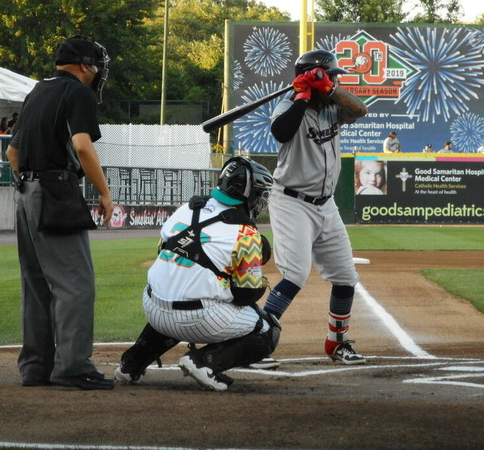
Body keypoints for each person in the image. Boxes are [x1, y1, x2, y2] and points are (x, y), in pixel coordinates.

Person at [114, 157, 280, 391]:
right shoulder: (247, 233)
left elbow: (164, 252)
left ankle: (131, 364)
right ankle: (204, 362)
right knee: (267, 329)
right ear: (248, 193)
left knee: (175, 295)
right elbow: (247, 293)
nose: (262, 201)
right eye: (260, 194)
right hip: (197, 319)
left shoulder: (187, 207)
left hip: (152, 308)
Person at [6, 35, 114, 390]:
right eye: (96, 65)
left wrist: (30, 186)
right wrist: (104, 192)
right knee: (76, 285)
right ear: (84, 65)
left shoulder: (38, 91)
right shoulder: (77, 92)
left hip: (26, 193)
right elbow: (82, 146)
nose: (97, 72)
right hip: (54, 191)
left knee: (36, 286)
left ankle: (35, 369)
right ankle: (73, 367)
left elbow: (12, 153)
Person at [267, 49, 368, 365]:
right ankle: (255, 339)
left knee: (345, 277)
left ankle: (337, 343)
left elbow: (360, 110)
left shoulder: (333, 108)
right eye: (330, 76)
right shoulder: (288, 106)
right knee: (295, 274)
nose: (334, 81)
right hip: (291, 202)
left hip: (326, 205)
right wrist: (302, 95)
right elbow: (280, 131)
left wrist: (331, 89)